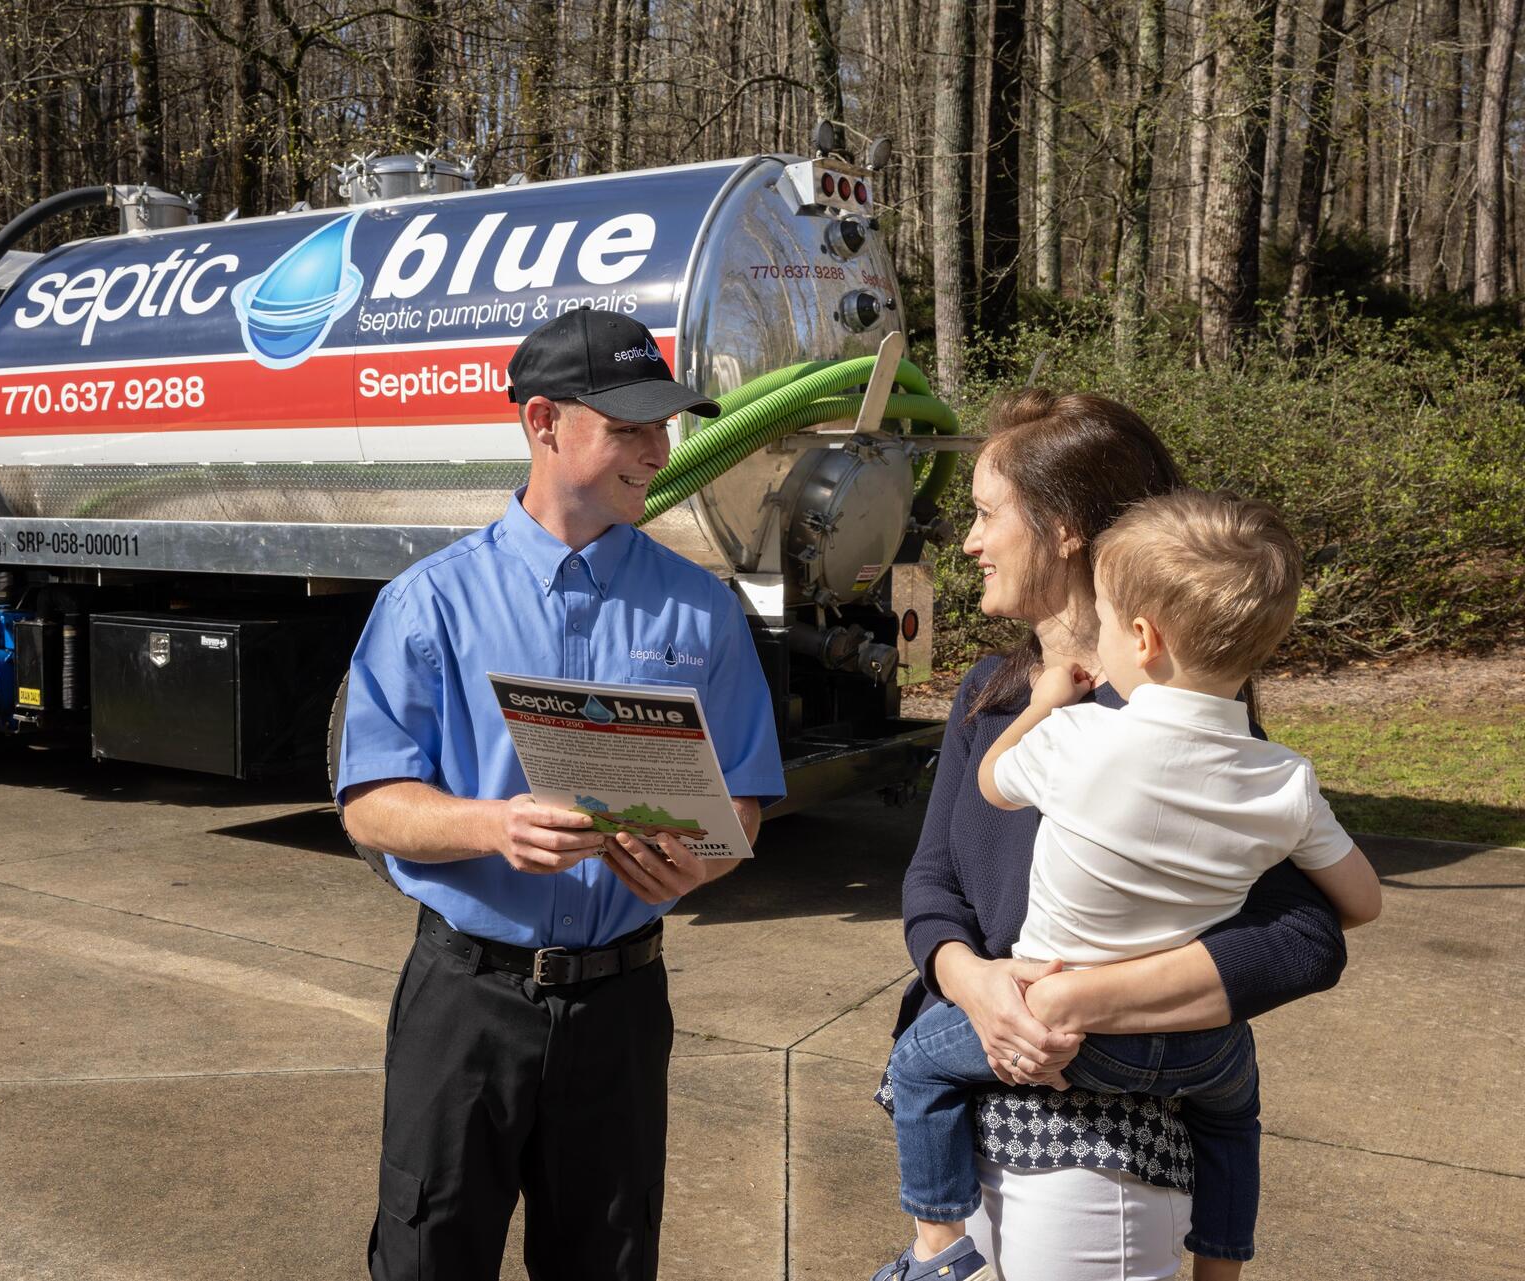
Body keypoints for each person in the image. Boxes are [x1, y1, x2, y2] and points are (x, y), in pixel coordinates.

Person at [336, 307, 786, 1281]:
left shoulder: (701, 609)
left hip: (621, 1009)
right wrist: (491, 826)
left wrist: (695, 867)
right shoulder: (431, 603)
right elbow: (370, 805)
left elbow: (741, 804)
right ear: (543, 423)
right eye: (629, 427)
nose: (656, 450)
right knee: (427, 1256)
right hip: (466, 1001)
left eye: (663, 427)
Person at [878, 390, 1351, 1281]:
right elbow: (932, 883)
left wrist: (1076, 1003)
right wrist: (974, 982)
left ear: (1063, 528)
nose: (969, 542)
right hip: (969, 1114)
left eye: (986, 515)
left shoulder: (1173, 719)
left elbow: (1305, 938)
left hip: (1096, 1158)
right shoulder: (992, 691)